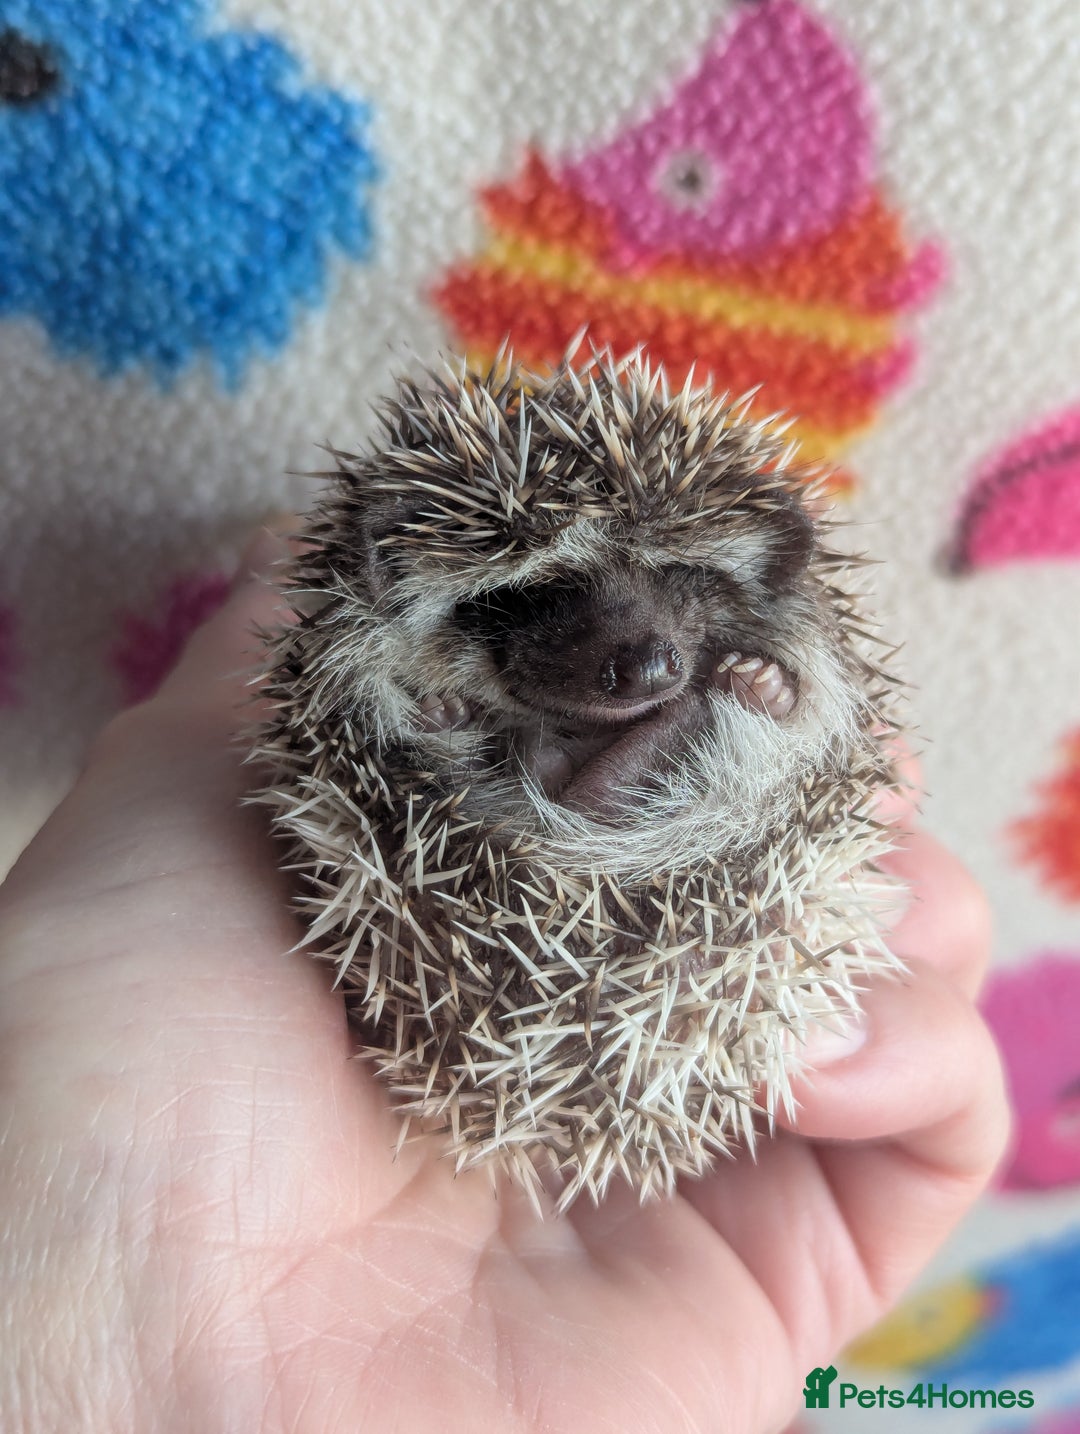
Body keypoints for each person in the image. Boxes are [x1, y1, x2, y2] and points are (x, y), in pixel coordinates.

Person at [0, 523, 1009, 1433]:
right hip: (519, 859)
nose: (645, 648)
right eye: (542, 600)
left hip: (639, 876)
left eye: (679, 591)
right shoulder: (381, 654)